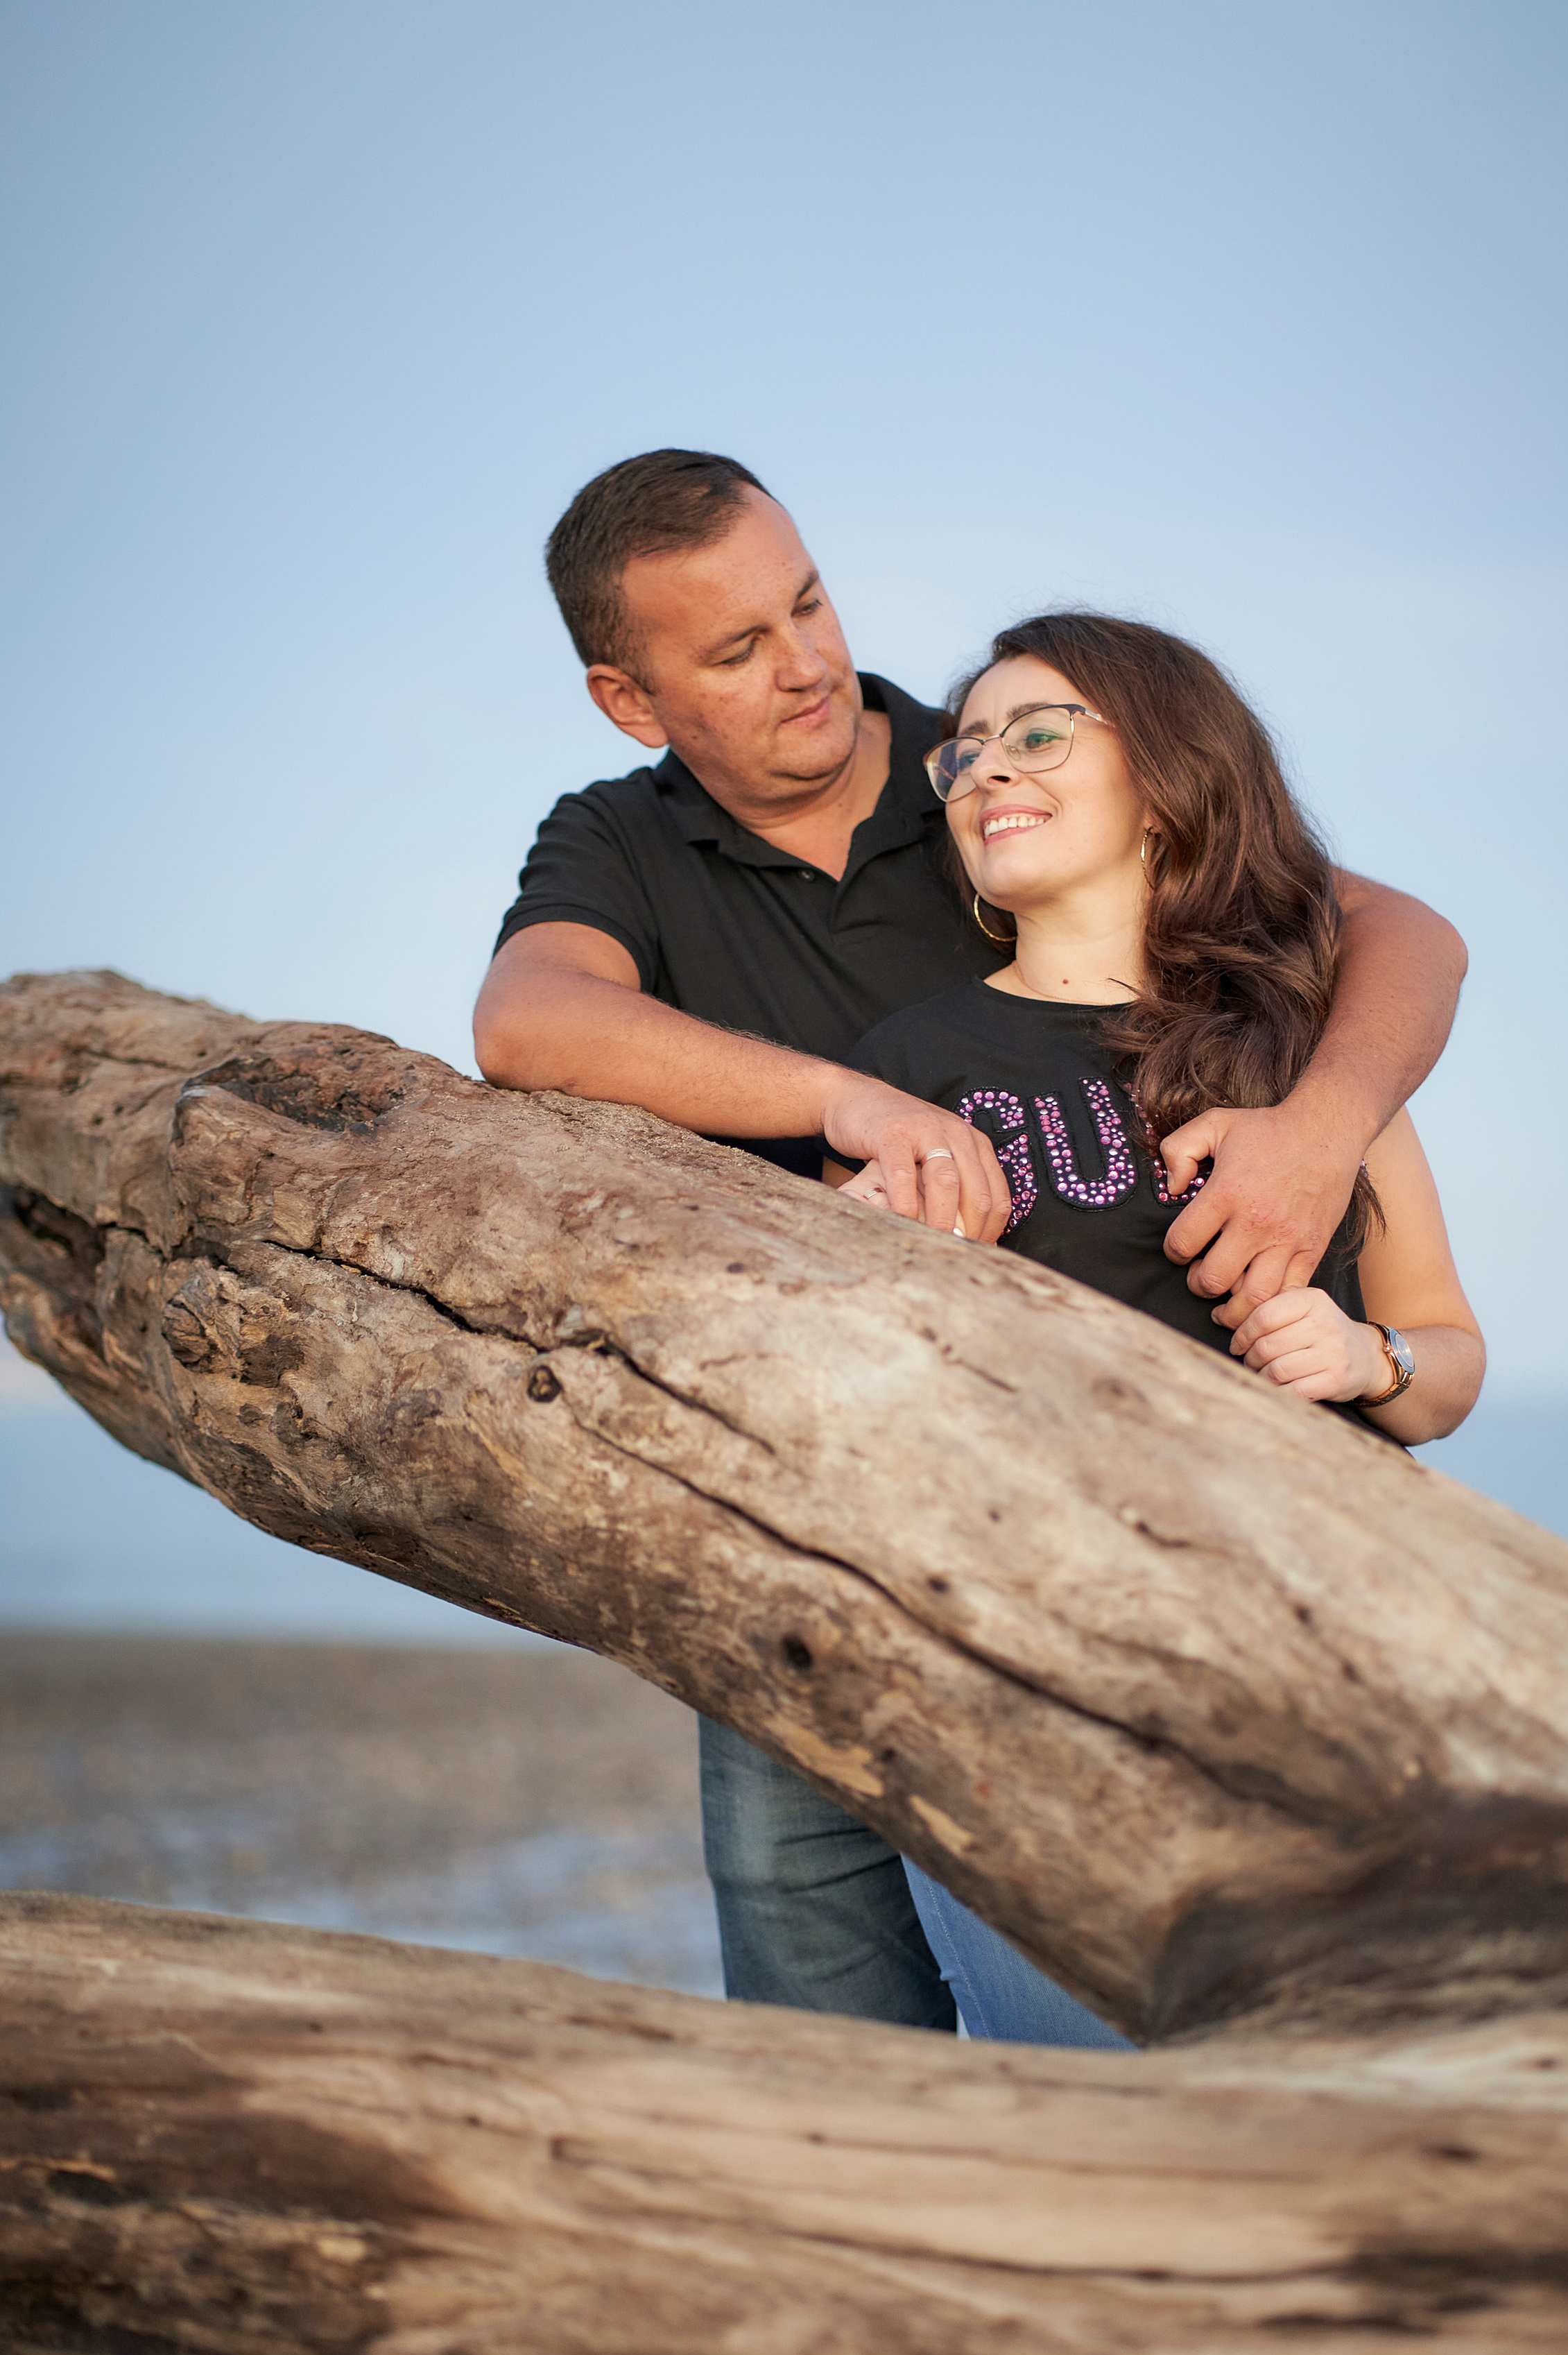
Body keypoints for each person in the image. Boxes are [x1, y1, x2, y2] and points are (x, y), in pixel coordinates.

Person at [474, 447, 1470, 2033]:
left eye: (804, 600)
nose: (803, 660)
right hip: (810, 1519)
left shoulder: (1001, 760)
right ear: (629, 699)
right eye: (732, 651)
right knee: (822, 1995)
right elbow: (527, 1026)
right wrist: (846, 1105)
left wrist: (1319, 1128)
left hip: (1176, 1552)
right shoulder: (620, 843)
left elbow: (1394, 929)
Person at [832, 612, 1485, 2046]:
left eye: (1040, 730)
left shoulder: (1318, 1056)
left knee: (1331, 2104)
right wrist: (866, 1264)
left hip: (1313, 1677)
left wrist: (1363, 1361)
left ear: (1169, 773)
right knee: (1088, 2117)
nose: (984, 769)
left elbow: (1446, 1363)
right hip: (1008, 1686)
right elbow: (854, 1416)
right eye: (964, 752)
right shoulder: (905, 1071)